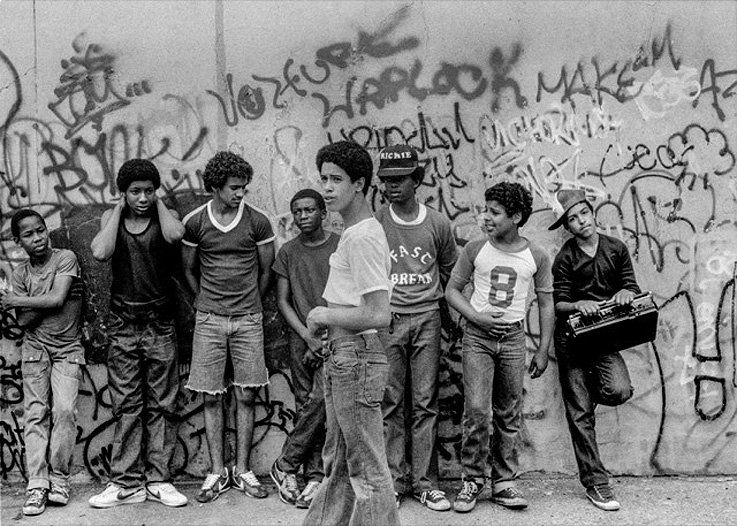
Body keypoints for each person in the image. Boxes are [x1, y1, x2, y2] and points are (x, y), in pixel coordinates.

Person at [301, 140, 400, 526]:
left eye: (336, 180)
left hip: (356, 357)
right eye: (323, 178)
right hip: (344, 356)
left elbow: (379, 313)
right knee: (339, 464)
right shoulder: (355, 232)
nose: (327, 188)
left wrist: (323, 313)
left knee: (367, 471)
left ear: (359, 184)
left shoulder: (362, 236)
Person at [445, 181, 554, 514]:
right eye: (485, 210)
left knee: (508, 411)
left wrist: (542, 349)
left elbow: (546, 304)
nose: (486, 217)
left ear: (516, 217)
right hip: (478, 338)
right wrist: (475, 317)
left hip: (513, 339)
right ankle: (472, 479)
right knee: (477, 410)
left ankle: (504, 481)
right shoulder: (476, 249)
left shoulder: (536, 256)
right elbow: (452, 291)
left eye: (494, 212)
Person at [88, 159, 187, 508]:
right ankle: (127, 483)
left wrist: (159, 204)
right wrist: (118, 208)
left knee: (163, 403)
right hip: (123, 324)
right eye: (135, 192)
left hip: (160, 322)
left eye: (148, 191)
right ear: (123, 193)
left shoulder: (165, 216)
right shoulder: (111, 218)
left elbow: (175, 236)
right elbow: (100, 252)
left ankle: (159, 480)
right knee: (127, 404)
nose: (142, 198)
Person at [181, 150, 275, 503]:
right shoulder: (195, 222)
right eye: (234, 187)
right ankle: (217, 472)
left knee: (246, 394)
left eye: (243, 187)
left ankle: (243, 470)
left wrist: (250, 303)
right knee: (211, 396)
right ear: (215, 187)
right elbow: (188, 269)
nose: (240, 193)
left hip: (248, 319)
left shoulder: (257, 221)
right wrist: (204, 302)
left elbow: (266, 270)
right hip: (209, 319)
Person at [374, 144, 458, 511]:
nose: (392, 186)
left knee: (425, 401)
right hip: (389, 317)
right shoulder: (377, 221)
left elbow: (450, 271)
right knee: (390, 401)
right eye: (386, 180)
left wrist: (452, 319)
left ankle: (425, 482)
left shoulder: (436, 222)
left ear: (416, 180)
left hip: (427, 316)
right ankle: (394, 481)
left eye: (400, 179)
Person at [549, 188, 639, 512]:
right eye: (573, 219)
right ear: (567, 227)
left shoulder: (616, 248)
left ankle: (586, 395)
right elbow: (558, 303)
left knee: (619, 390)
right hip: (571, 340)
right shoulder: (565, 257)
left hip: (603, 339)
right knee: (580, 415)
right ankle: (596, 483)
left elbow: (632, 286)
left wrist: (627, 293)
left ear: (593, 212)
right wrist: (578, 304)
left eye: (584, 213)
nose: (581, 221)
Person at [1, 209, 84, 516]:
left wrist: (17, 300)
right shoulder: (20, 274)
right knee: (36, 414)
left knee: (64, 411)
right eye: (28, 234)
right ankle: (37, 485)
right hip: (35, 350)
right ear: (17, 240)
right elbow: (24, 322)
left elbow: (57, 300)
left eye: (40, 230)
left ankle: (60, 479)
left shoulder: (65, 258)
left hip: (67, 349)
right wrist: (53, 297)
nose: (37, 238)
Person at [270, 188, 339, 508]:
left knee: (322, 400)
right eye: (297, 211)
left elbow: (346, 294)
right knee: (305, 403)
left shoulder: (339, 246)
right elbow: (282, 301)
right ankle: (312, 477)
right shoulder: (288, 252)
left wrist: (323, 338)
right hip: (301, 336)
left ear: (323, 213)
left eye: (309, 210)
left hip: (334, 333)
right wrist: (307, 336)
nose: (303, 216)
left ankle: (287, 463)